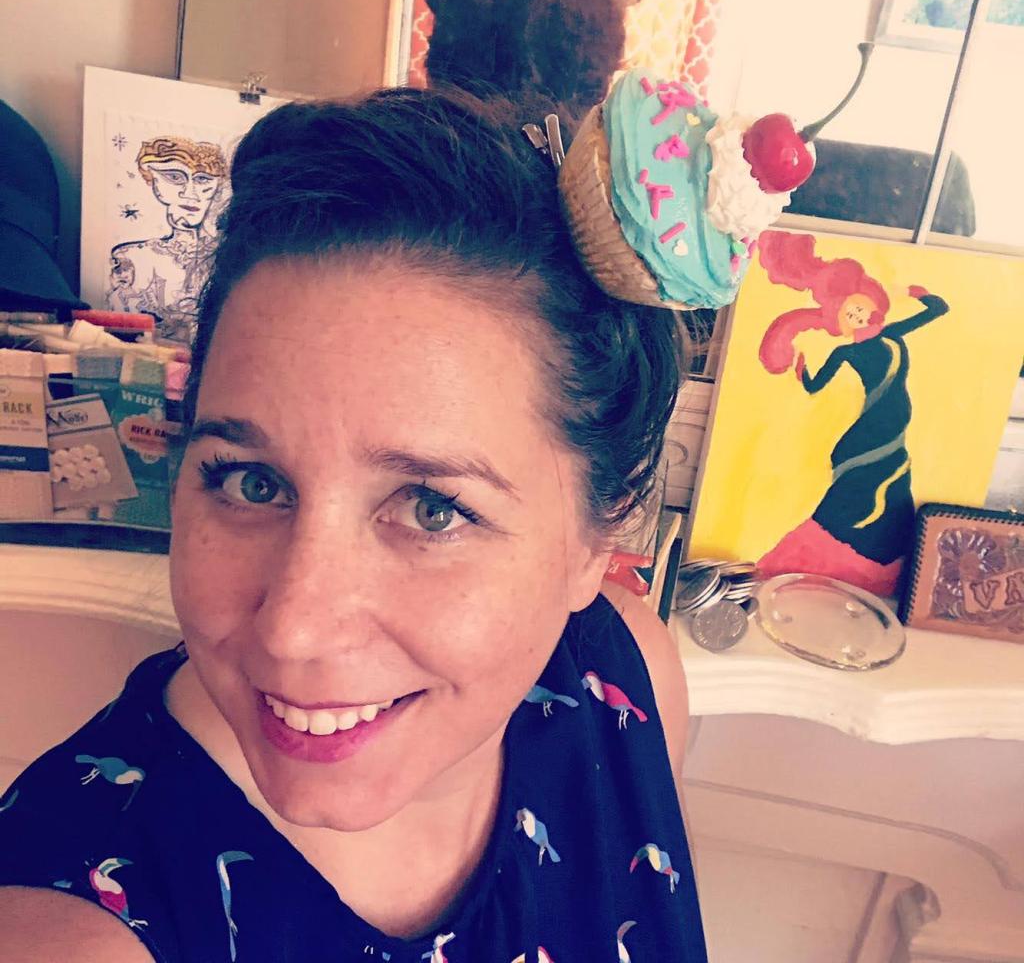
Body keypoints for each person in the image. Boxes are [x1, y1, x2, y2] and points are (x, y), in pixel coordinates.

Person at [0, 88, 706, 961]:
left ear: (597, 542)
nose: (293, 630)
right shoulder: (72, 936)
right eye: (252, 482)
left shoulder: (627, 684)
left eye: (431, 508)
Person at [756, 230, 950, 595]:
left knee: (891, 478)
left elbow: (939, 310)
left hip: (893, 422)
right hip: (871, 426)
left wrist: (917, 293)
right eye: (850, 313)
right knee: (870, 476)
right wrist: (801, 369)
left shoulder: (892, 334)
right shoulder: (845, 352)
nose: (857, 315)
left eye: (860, 308)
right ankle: (838, 543)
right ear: (841, 318)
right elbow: (815, 386)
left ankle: (886, 553)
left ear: (872, 306)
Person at [108, 136, 228, 343]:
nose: (190, 193)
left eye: (203, 180)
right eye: (174, 177)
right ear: (152, 179)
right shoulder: (133, 257)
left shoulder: (229, 257)